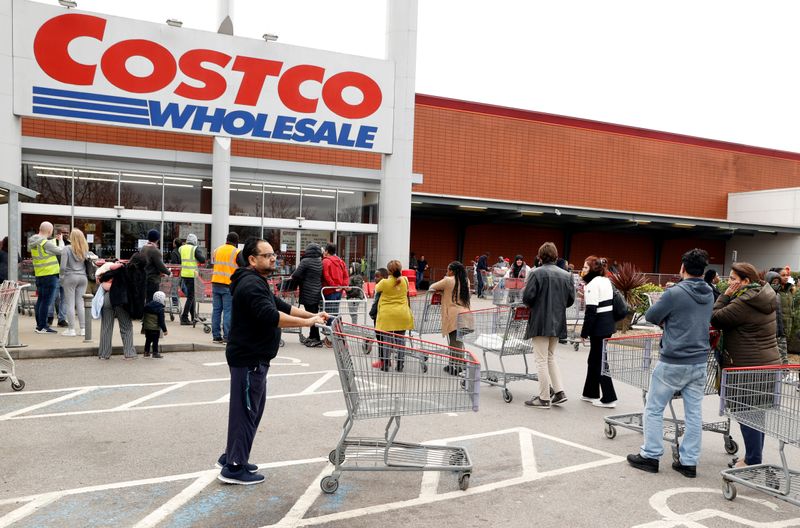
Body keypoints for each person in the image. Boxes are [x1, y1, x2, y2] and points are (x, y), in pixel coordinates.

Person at [216, 238, 327, 485]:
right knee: (246, 412)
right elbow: (271, 316)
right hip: (249, 358)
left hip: (254, 357)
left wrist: (313, 315)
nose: (273, 258)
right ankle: (234, 468)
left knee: (248, 411)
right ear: (252, 259)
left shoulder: (257, 281)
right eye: (267, 255)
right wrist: (308, 324)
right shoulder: (250, 285)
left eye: (273, 254)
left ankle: (233, 457)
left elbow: (283, 306)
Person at [627, 248, 714, 479]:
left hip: (673, 361)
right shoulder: (710, 293)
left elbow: (652, 316)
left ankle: (651, 455)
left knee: (654, 408)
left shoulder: (675, 293)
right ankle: (688, 462)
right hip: (699, 361)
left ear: (683, 268)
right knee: (694, 413)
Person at [711, 262, 781, 469]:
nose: (730, 283)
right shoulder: (763, 295)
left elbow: (716, 318)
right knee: (756, 413)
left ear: (746, 281)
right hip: (766, 364)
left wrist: (724, 295)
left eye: (733, 279)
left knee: (745, 412)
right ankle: (753, 457)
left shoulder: (745, 301)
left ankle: (752, 460)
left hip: (747, 366)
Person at [522, 242, 575, 409]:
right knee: (551, 357)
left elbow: (528, 298)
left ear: (540, 257)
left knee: (541, 360)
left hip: (540, 320)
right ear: (556, 256)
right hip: (558, 321)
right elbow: (570, 300)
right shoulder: (566, 275)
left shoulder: (536, 273)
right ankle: (559, 392)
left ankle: (544, 397)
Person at [579, 256, 618, 408]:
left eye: (586, 268)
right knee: (595, 360)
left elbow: (591, 311)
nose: (583, 270)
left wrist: (584, 333)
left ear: (592, 270)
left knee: (600, 362)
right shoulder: (605, 280)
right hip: (607, 325)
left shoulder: (592, 284)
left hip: (599, 327)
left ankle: (609, 397)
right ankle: (590, 393)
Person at [372, 260, 415, 372]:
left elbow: (376, 289)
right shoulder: (405, 280)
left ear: (388, 271)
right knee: (400, 340)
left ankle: (385, 364)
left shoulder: (384, 282)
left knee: (387, 340)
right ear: (400, 270)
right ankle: (400, 364)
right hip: (402, 314)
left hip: (388, 315)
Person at [429, 261, 471, 375]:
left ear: (452, 271)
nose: (447, 272)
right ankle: (456, 364)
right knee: (458, 341)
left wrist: (441, 290)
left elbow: (432, 287)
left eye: (448, 270)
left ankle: (456, 367)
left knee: (454, 342)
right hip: (465, 314)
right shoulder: (466, 280)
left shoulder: (448, 280)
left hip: (453, 314)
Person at [96, 259, 137, 360]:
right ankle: (129, 353)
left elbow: (100, 282)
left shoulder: (106, 272)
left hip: (107, 298)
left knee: (106, 326)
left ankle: (103, 354)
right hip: (120, 300)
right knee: (126, 326)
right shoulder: (127, 273)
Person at [29, 221, 64, 334]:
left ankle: (39, 325)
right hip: (50, 275)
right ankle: (42, 326)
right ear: (50, 231)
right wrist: (61, 241)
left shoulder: (34, 242)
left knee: (40, 300)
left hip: (40, 275)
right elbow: (62, 251)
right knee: (46, 302)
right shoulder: (46, 243)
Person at [290, 244, 324, 347]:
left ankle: (316, 338)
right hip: (316, 291)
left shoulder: (305, 261)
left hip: (308, 291)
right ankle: (312, 336)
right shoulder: (319, 261)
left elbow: (296, 274)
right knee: (314, 314)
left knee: (312, 316)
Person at [210, 232, 241, 344]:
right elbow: (242, 266)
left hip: (215, 283)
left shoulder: (217, 250)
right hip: (228, 285)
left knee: (217, 310)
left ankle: (216, 336)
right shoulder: (236, 252)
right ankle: (227, 336)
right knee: (228, 311)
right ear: (236, 241)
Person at [59, 228, 90, 337]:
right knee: (80, 304)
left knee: (70, 304)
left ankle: (71, 329)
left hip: (70, 277)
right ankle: (83, 329)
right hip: (83, 277)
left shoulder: (66, 249)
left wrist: (61, 278)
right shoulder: (85, 249)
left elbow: (62, 267)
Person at [179, 233, 207, 325]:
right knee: (191, 297)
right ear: (195, 241)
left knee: (191, 297)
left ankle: (193, 316)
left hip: (184, 274)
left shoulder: (181, 248)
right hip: (192, 275)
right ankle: (184, 317)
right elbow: (202, 259)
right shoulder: (195, 248)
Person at [141, 229, 170, 303]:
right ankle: (149, 314)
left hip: (144, 278)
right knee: (151, 300)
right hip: (152, 279)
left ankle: (144, 313)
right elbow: (160, 266)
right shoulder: (155, 250)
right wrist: (168, 272)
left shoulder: (143, 248)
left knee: (146, 298)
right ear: (157, 239)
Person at [772, 268, 793, 365]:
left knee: (783, 354)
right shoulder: (775, 291)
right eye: (783, 275)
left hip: (786, 328)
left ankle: (783, 375)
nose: (786, 277)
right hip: (777, 329)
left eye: (787, 275)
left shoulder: (789, 290)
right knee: (780, 356)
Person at [321, 243, 349, 318]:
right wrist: (343, 286)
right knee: (335, 312)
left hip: (329, 290)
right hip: (339, 291)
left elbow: (326, 276)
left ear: (326, 251)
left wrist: (334, 286)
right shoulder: (341, 261)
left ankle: (329, 329)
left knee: (328, 313)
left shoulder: (325, 261)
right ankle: (333, 328)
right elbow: (346, 275)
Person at [142, 291, 168, 358]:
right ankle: (155, 353)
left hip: (147, 328)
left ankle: (146, 352)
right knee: (155, 341)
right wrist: (165, 330)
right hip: (155, 329)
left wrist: (143, 327)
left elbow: (144, 318)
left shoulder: (147, 306)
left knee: (148, 340)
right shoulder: (160, 309)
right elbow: (161, 321)